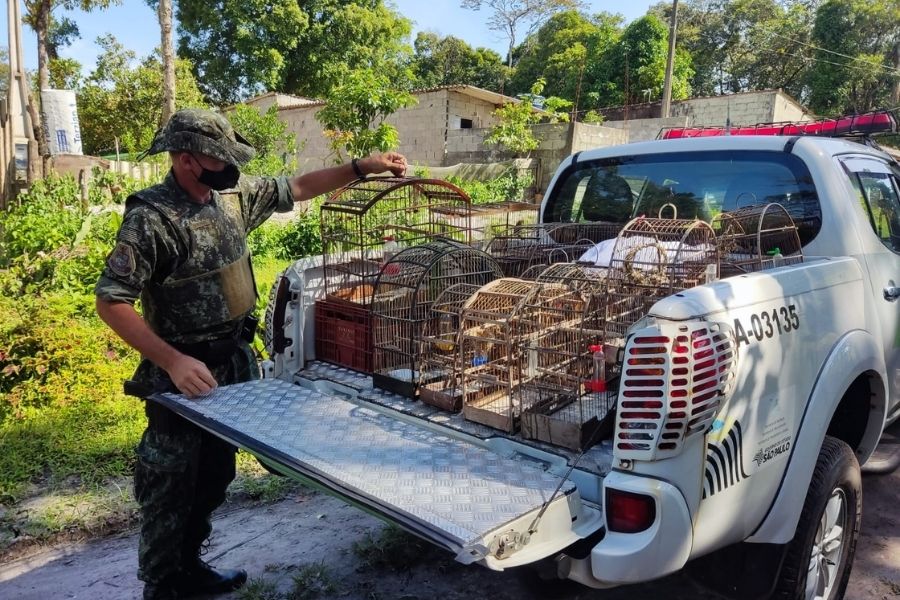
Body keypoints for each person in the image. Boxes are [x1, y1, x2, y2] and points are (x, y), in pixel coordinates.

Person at [94, 108, 407, 600]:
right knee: (170, 481)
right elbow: (112, 302)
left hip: (232, 362)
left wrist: (360, 168)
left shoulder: (234, 198)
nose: (227, 165)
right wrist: (173, 361)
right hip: (183, 372)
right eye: (216, 157)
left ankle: (189, 567)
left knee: (216, 471)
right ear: (184, 160)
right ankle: (162, 583)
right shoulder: (151, 219)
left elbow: (299, 187)